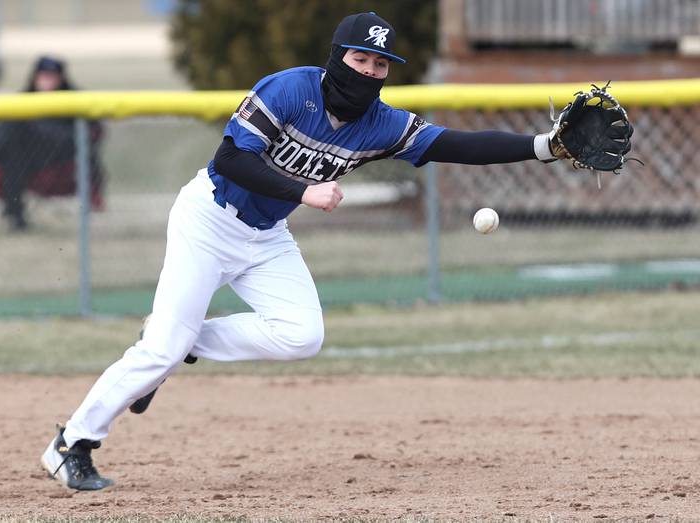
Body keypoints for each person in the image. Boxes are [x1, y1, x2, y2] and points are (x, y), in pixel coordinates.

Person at [40, 12, 567, 490]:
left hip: (265, 238)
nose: (368, 70)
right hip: (208, 220)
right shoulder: (290, 90)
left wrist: (541, 147)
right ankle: (72, 444)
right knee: (159, 351)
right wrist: (303, 191)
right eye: (359, 58)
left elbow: (454, 144)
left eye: (380, 64)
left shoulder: (381, 124)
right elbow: (230, 160)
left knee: (301, 335)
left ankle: (188, 342)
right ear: (337, 58)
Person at [0, 55, 106, 231]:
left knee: (15, 123)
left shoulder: (75, 98)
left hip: (63, 156)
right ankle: (16, 218)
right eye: (43, 75)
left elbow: (94, 133)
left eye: (51, 76)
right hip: (32, 158)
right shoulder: (24, 98)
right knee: (12, 153)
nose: (47, 80)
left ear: (61, 78)